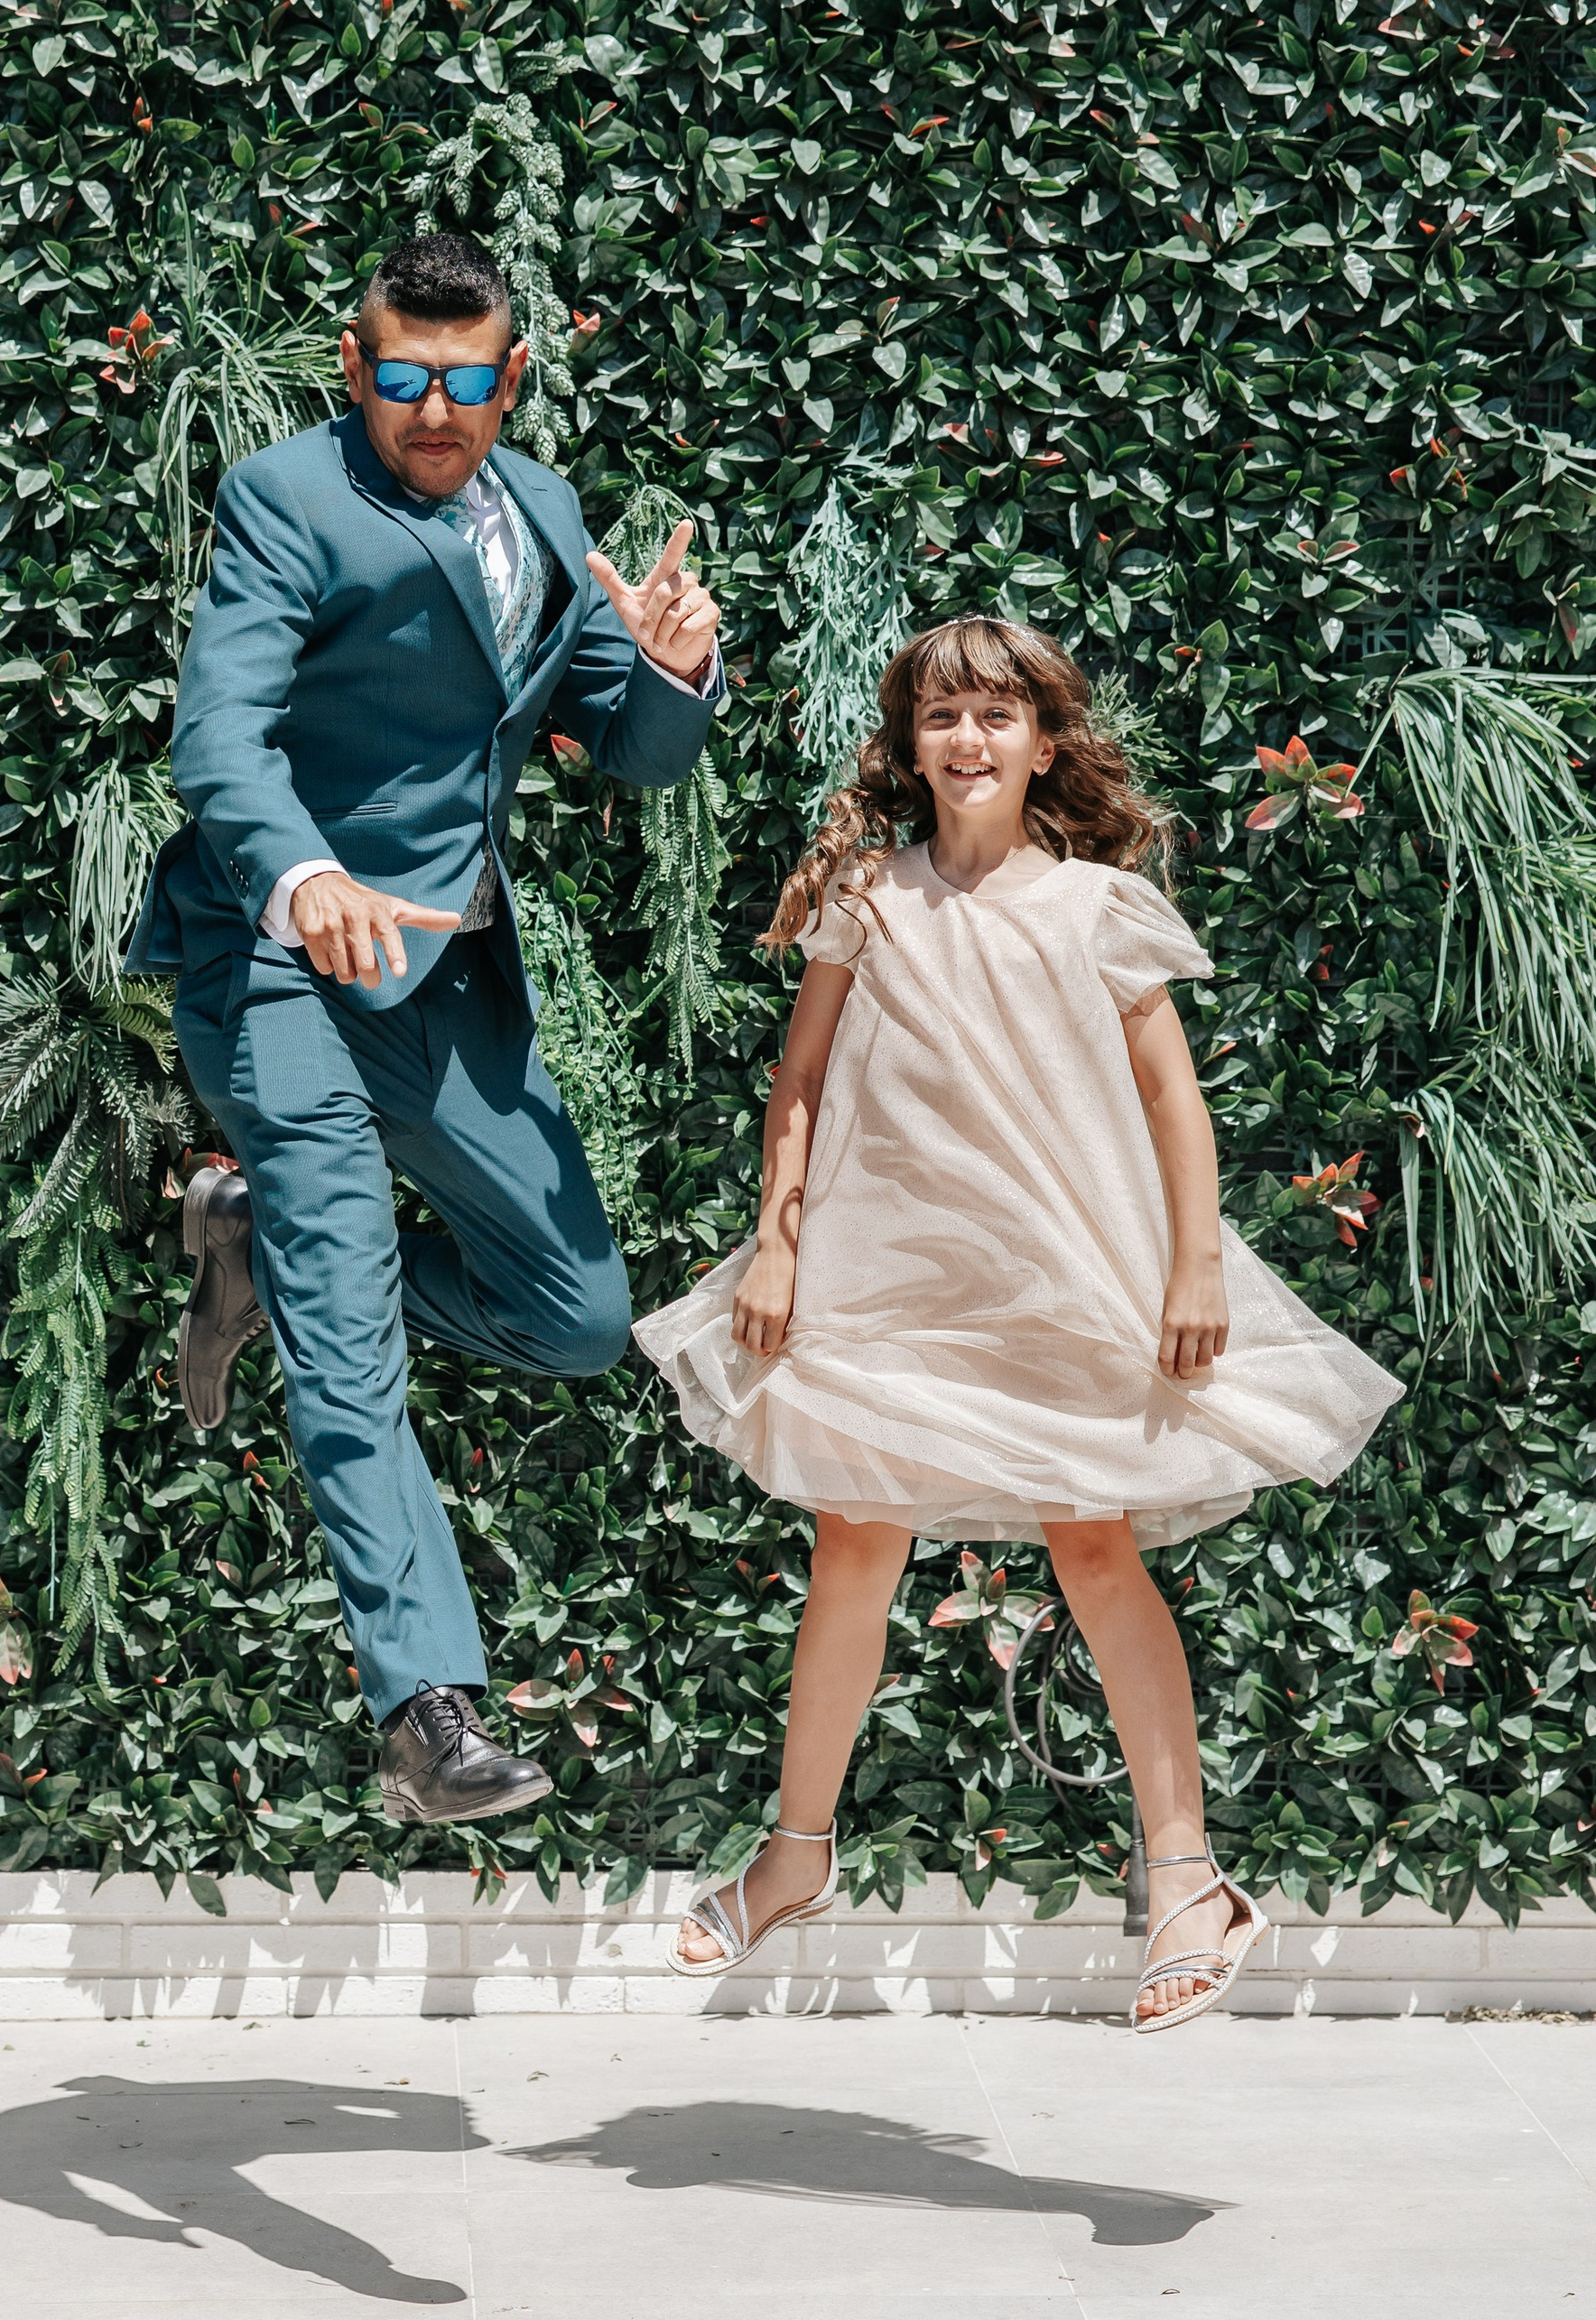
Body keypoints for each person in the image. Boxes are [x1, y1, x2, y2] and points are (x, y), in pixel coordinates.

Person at [636, 616, 1400, 2032]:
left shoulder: (1098, 908)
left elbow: (1175, 1096)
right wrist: (777, 1252)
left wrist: (1195, 1270)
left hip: (1060, 1273)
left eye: (998, 716)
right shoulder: (866, 895)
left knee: (1095, 1543)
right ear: (908, 744)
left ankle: (1187, 1878)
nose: (969, 741)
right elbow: (797, 1083)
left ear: (1046, 742)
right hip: (887, 1277)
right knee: (855, 1539)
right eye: (941, 718)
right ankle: (795, 1855)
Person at [128, 228, 722, 1826]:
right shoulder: (287, 499)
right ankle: (428, 1706)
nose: (434, 408)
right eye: (403, 378)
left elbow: (631, 750)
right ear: (355, 366)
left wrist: (677, 673)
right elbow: (218, 735)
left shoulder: (543, 509)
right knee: (350, 1321)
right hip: (277, 966)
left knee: (581, 1317)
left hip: (441, 985)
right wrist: (302, 871)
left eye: (466, 381)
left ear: (512, 376)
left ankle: (246, 1235)